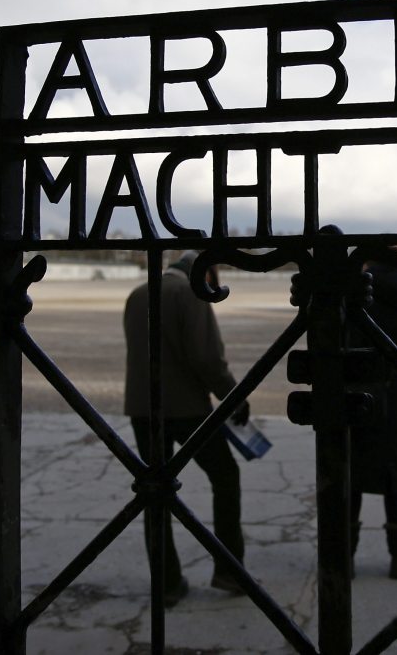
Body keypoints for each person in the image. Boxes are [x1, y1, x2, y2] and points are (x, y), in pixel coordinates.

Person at [124, 251, 249, 607]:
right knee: (225, 475)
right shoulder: (191, 292)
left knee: (154, 493)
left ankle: (166, 582)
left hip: (142, 410)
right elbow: (206, 358)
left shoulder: (139, 293)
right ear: (205, 272)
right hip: (185, 409)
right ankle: (229, 569)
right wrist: (234, 396)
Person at [350, 259, 397, 580]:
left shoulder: (358, 288)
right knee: (395, 469)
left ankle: (345, 555)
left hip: (360, 383)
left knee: (352, 470)